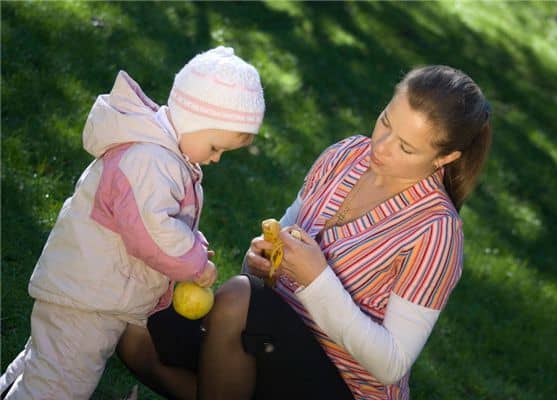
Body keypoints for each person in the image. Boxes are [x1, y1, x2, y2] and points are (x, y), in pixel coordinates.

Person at [117, 65, 492, 400]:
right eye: (386, 122)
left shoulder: (437, 231)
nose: (380, 146)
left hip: (344, 384)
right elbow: (282, 236)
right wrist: (261, 262)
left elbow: (390, 364)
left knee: (237, 298)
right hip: (265, 341)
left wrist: (317, 278)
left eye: (406, 147)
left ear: (446, 158)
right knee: (137, 331)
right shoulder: (344, 155)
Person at [0, 46, 265, 399]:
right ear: (193, 119)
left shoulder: (160, 154)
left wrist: (191, 244)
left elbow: (159, 220)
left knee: (44, 363)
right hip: (88, 297)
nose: (215, 159)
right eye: (216, 146)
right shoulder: (151, 160)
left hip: (89, 290)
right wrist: (194, 263)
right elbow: (152, 233)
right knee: (59, 385)